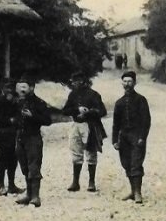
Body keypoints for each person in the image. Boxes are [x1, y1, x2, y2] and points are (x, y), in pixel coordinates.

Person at [61, 71, 107, 193]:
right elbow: (65, 111)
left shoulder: (94, 95)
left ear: (83, 81)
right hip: (76, 125)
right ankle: (75, 182)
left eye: (76, 81)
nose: (74, 83)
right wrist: (77, 109)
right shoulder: (73, 95)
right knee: (76, 152)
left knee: (91, 153)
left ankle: (91, 182)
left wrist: (89, 112)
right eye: (73, 81)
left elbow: (102, 111)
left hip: (90, 126)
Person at [13, 76, 52, 207]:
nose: (21, 90)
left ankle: (35, 196)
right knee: (24, 166)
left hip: (33, 137)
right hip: (20, 137)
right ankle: (28, 194)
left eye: (24, 87)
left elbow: (48, 120)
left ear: (32, 88)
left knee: (33, 166)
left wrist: (33, 116)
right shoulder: (16, 102)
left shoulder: (39, 103)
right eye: (19, 87)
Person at [112, 71, 151, 204]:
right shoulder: (119, 103)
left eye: (130, 81)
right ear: (122, 83)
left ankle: (138, 192)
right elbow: (115, 124)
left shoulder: (141, 100)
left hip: (137, 136)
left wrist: (142, 137)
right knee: (126, 164)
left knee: (136, 163)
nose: (127, 84)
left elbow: (146, 121)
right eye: (125, 81)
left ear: (134, 83)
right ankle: (132, 191)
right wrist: (114, 140)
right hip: (124, 137)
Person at [0, 81, 23, 196]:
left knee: (13, 160)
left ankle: (11, 185)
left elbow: (20, 117)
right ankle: (1, 185)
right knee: (2, 160)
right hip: (3, 133)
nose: (9, 91)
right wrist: (8, 120)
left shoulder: (17, 103)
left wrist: (17, 120)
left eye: (11, 89)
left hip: (15, 134)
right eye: (7, 89)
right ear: (3, 90)